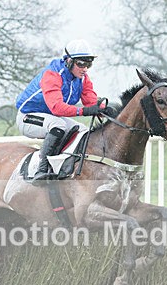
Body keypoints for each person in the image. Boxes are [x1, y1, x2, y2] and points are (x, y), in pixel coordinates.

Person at [15, 39, 112, 182]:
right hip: (28, 116)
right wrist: (84, 111)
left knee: (83, 131)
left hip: (51, 117)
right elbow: (57, 108)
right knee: (58, 126)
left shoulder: (82, 78)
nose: (85, 68)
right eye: (81, 64)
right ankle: (41, 169)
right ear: (68, 61)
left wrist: (104, 110)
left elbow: (90, 100)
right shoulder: (52, 75)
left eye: (88, 64)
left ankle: (67, 166)